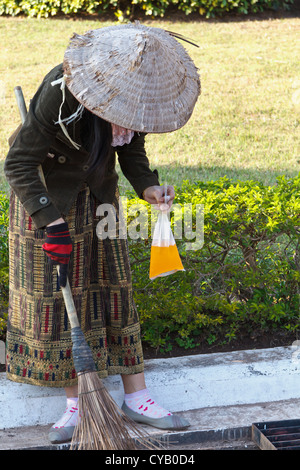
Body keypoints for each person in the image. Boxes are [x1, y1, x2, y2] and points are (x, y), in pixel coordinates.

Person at [4, 22, 200, 444]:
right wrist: (50, 222)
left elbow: (129, 147)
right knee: (62, 300)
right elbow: (18, 163)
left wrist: (147, 186)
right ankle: (78, 407)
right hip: (47, 200)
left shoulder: (137, 95)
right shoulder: (62, 91)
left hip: (99, 198)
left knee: (115, 290)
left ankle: (138, 397)